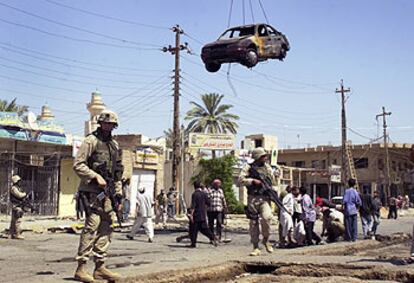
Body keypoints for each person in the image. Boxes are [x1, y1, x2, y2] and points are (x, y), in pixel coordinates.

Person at [73, 109, 123, 283]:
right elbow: (78, 165)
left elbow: (117, 172)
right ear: (100, 123)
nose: (108, 126)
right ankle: (81, 268)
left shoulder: (114, 145)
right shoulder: (91, 141)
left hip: (106, 194)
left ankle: (100, 267)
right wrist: (95, 176)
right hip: (92, 192)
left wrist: (118, 195)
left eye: (111, 124)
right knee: (91, 226)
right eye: (106, 123)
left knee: (108, 225)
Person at [239, 147, 275, 256]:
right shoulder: (248, 167)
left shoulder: (267, 168)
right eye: (263, 156)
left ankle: (266, 239)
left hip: (264, 198)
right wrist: (252, 181)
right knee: (253, 223)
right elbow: (240, 180)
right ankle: (255, 247)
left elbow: (272, 181)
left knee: (267, 217)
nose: (265, 158)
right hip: (252, 198)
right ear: (258, 157)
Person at [189, 180, 217, 248]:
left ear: (194, 186)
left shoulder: (194, 194)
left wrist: (191, 215)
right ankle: (213, 237)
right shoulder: (204, 194)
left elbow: (193, 206)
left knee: (193, 230)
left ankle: (193, 243)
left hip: (196, 215)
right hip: (203, 214)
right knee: (204, 229)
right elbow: (209, 203)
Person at [9, 175, 27, 240]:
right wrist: (25, 194)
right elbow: (19, 195)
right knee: (18, 220)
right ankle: (17, 234)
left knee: (14, 221)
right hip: (16, 206)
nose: (20, 182)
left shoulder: (17, 188)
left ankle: (12, 234)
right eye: (19, 181)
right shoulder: (14, 188)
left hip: (17, 205)